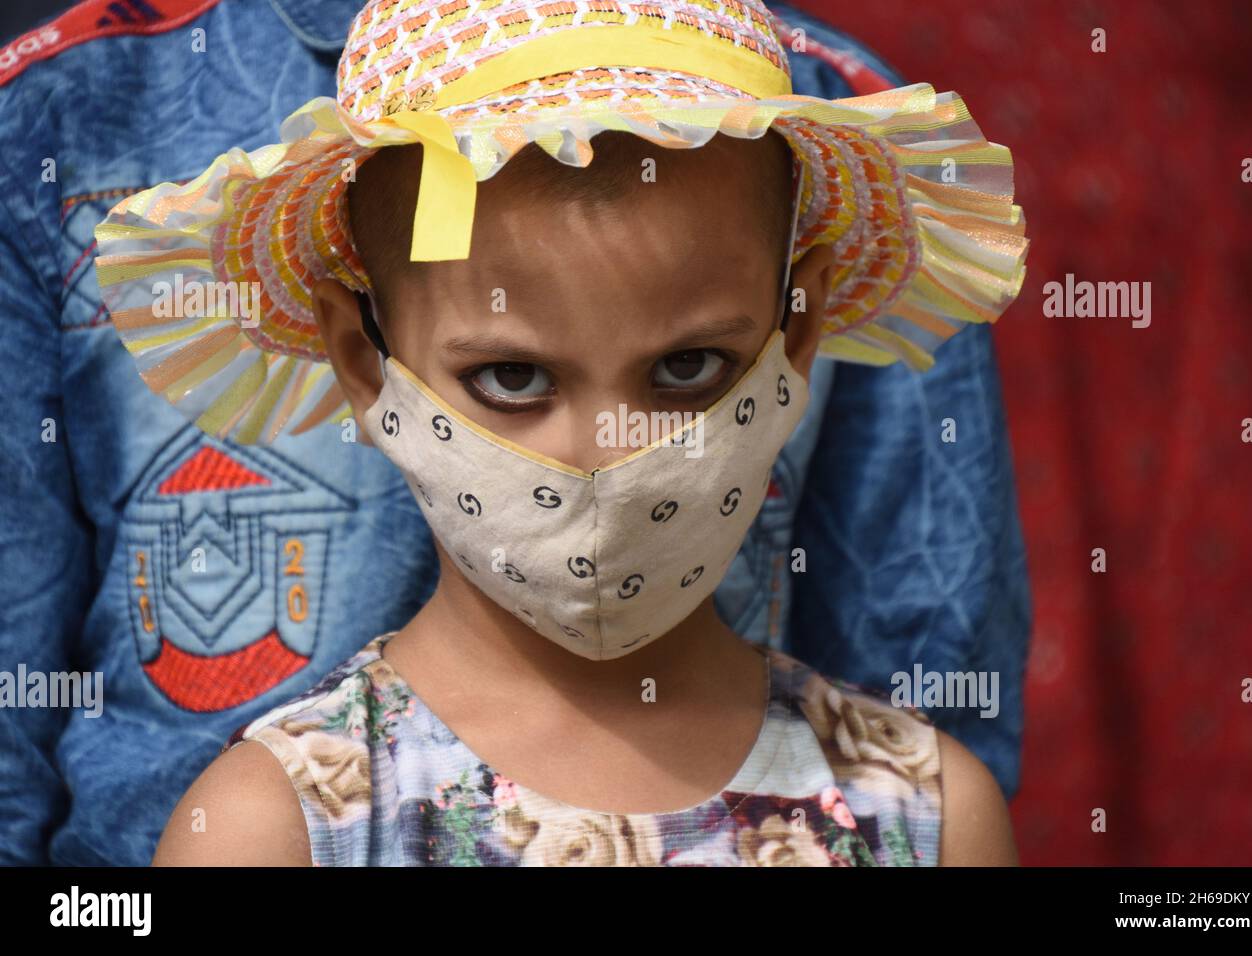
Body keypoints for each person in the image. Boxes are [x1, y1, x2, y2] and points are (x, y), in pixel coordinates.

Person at [0, 0, 1030, 867]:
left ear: (795, 335)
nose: (602, 453)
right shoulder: (274, 826)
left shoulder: (928, 814)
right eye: (511, 377)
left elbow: (925, 632)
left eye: (685, 369)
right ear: (364, 360)